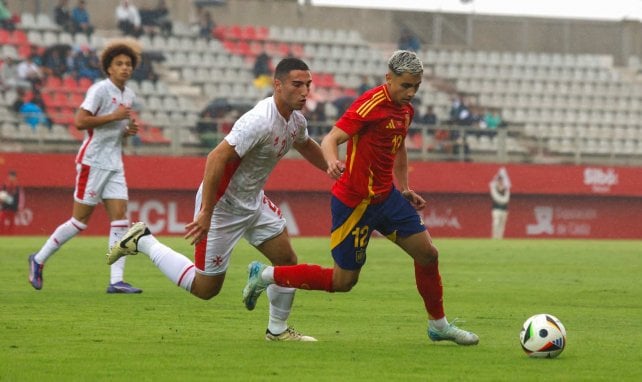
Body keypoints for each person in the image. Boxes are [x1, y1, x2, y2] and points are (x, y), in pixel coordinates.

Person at [241, 50, 479, 345]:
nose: (411, 92)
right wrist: (330, 161)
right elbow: (332, 138)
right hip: (354, 203)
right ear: (388, 78)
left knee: (428, 254)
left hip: (386, 199)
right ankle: (266, 275)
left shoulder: (406, 110)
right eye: (405, 85)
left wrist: (403, 187)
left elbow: (399, 146)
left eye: (416, 86)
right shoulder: (370, 104)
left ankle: (439, 325)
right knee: (344, 282)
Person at [107, 58, 328, 341]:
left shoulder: (296, 121)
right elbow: (216, 158)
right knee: (206, 289)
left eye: (308, 84)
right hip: (222, 207)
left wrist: (333, 169)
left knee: (287, 260)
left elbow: (305, 144)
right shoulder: (258, 121)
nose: (304, 91)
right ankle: (143, 241)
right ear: (277, 85)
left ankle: (277, 330)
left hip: (253, 202)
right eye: (297, 84)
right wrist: (206, 213)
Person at [28, 39, 143, 294]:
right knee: (80, 222)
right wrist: (114, 117)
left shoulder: (129, 95)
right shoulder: (99, 90)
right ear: (109, 68)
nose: (125, 68)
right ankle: (38, 259)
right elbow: (80, 122)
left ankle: (116, 281)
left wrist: (127, 131)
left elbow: (115, 131)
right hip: (92, 162)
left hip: (115, 163)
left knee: (120, 221)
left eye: (128, 64)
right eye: (119, 64)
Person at [0, 170, 24, 235]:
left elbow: (20, 197)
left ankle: (10, 236)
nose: (11, 178)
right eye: (10, 176)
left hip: (13, 208)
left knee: (11, 223)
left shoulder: (17, 187)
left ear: (15, 177)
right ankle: (1, 235)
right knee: (1, 222)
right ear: (8, 177)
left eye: (13, 176)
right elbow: (1, 195)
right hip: (4, 207)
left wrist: (19, 206)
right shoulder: (4, 186)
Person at [490, 167, 511, 239]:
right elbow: (495, 197)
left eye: (501, 180)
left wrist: (502, 201)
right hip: (496, 209)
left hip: (504, 209)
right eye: (499, 180)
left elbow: (507, 199)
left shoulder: (506, 189)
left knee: (502, 225)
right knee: (496, 223)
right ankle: (494, 237)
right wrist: (502, 201)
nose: (500, 181)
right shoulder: (494, 188)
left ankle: (500, 237)